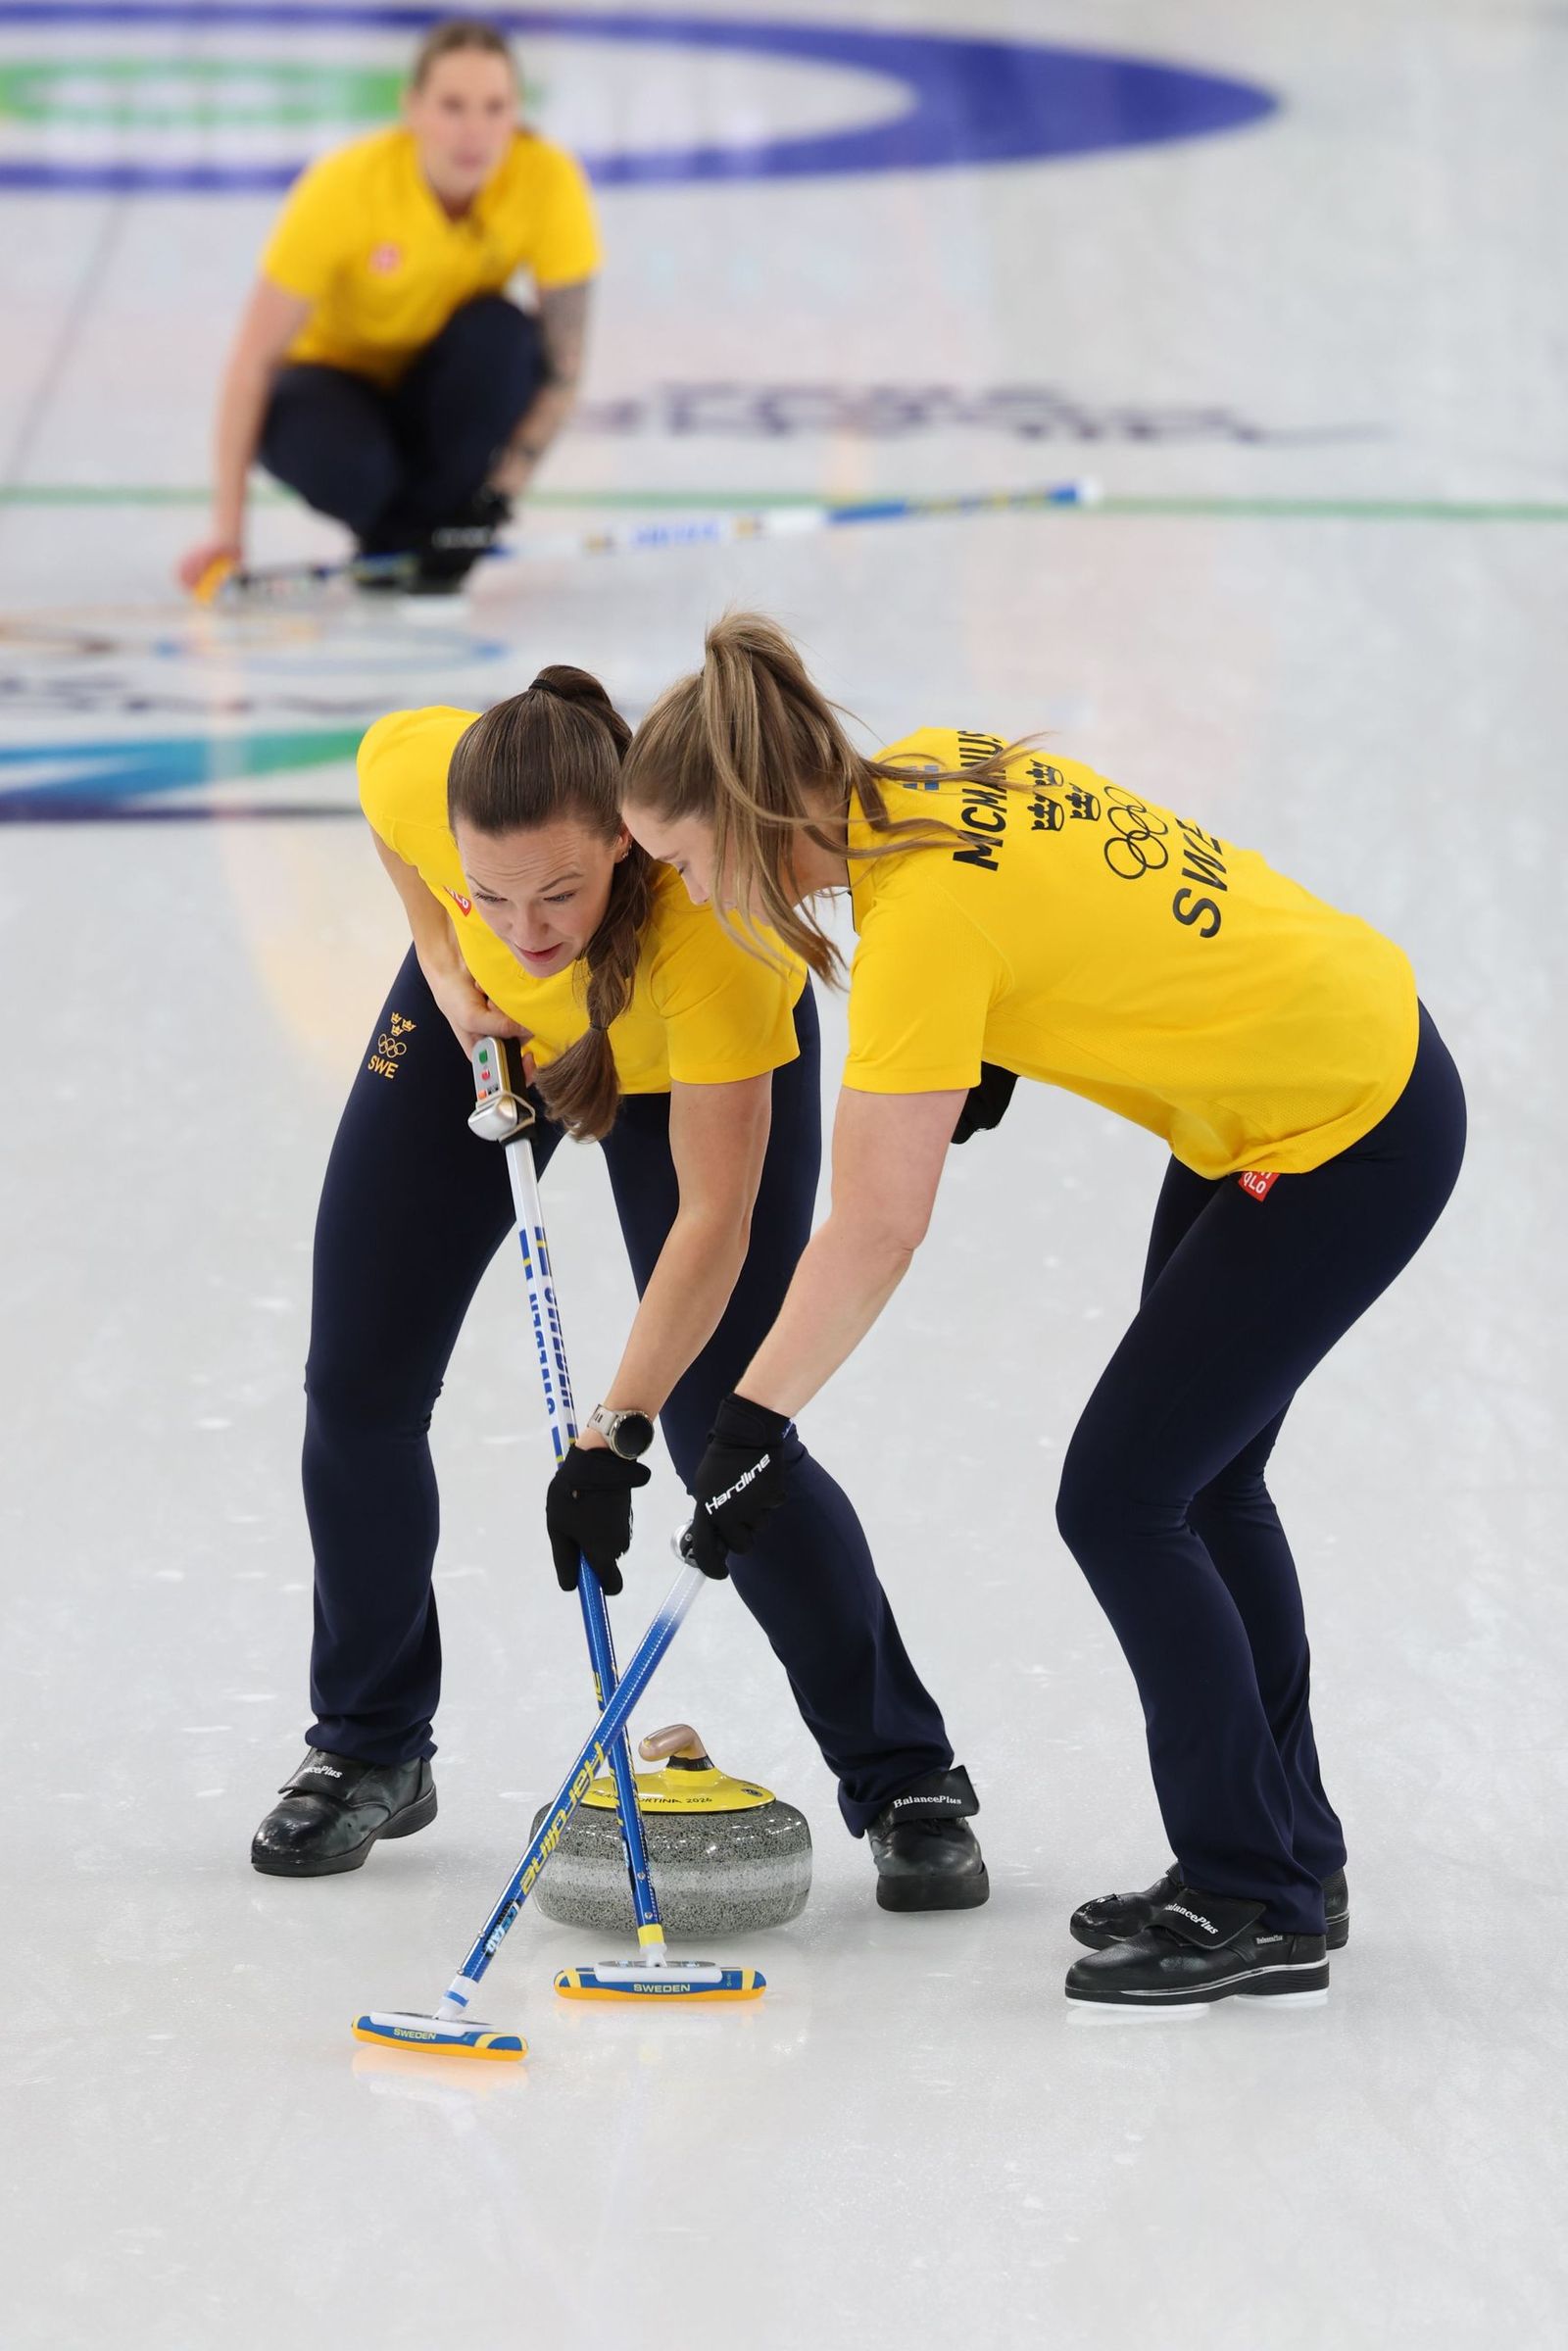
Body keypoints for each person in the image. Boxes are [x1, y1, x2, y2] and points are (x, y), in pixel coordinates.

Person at [617, 612, 1467, 2010]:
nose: (690, 896)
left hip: (1341, 1130)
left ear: (761, 820)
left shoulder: (918, 938)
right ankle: (1288, 1848)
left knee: (1126, 1497)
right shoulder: (931, 768)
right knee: (1200, 1481)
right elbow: (1073, 891)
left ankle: (1253, 1891)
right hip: (1308, 1068)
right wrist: (995, 1035)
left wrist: (757, 1415)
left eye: (688, 862)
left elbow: (878, 1222)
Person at [249, 668, 989, 1913]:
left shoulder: (717, 937)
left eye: (560, 891)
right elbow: (388, 804)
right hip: (481, 1035)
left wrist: (614, 1434)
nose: (528, 926)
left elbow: (712, 1220)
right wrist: (445, 955)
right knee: (358, 1385)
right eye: (494, 890)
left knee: (721, 1432)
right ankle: (370, 1740)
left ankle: (904, 1774)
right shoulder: (433, 791)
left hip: (676, 1069)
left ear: (629, 845)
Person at [177, 19, 599, 599]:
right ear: (413, 109)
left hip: (437, 387)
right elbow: (252, 361)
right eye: (452, 106)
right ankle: (402, 537)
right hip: (330, 384)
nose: (474, 131)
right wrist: (227, 533)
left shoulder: (548, 181)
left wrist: (495, 499)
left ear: (517, 112)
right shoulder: (344, 187)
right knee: (347, 464)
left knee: (504, 340)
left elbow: (563, 368)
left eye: (494, 107)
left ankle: (413, 536)